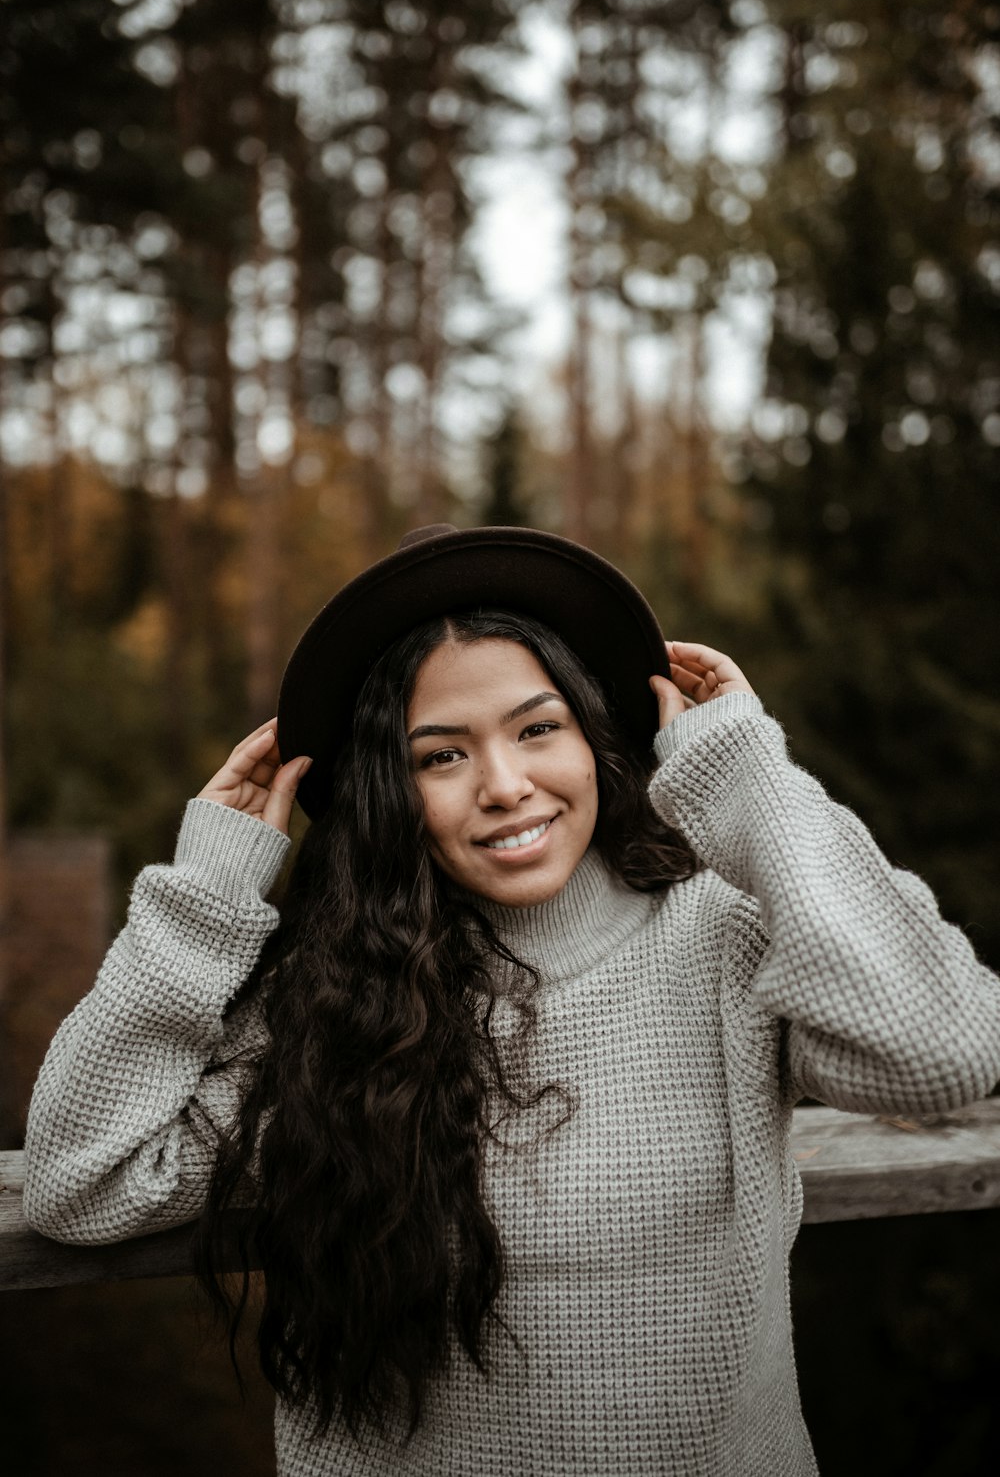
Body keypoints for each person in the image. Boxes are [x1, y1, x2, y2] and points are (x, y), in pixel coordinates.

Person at [23, 524, 1000, 1477]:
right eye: (439, 755)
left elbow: (948, 1053)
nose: (503, 785)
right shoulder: (328, 1000)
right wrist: (202, 904)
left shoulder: (724, 939)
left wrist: (753, 784)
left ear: (596, 738)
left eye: (538, 730)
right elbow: (81, 1184)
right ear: (390, 793)